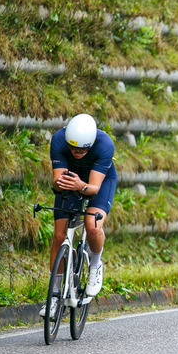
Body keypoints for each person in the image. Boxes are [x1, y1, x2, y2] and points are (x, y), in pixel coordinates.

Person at [41, 113, 117, 319]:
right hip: (71, 181)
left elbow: (93, 188)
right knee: (59, 236)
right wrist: (60, 184)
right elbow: (57, 181)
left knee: (93, 225)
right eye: (73, 148)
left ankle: (95, 266)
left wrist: (80, 185)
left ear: (91, 144)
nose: (77, 152)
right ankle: (55, 297)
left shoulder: (104, 145)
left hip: (96, 183)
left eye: (83, 149)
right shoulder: (58, 139)